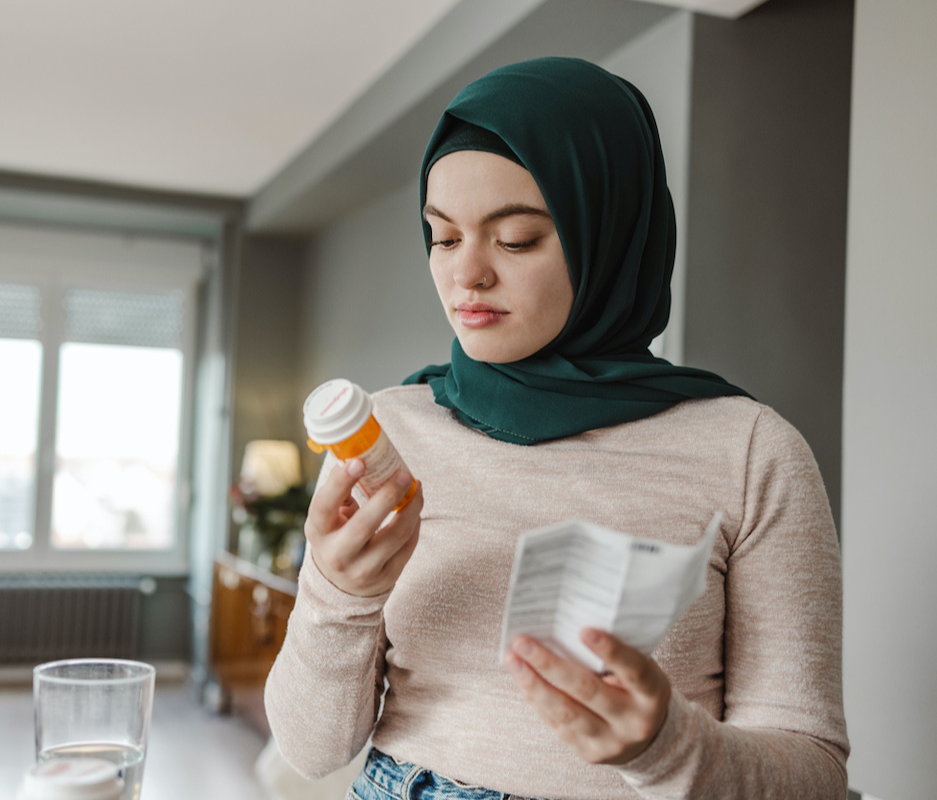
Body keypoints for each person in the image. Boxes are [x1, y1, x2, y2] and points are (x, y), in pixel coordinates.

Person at [264, 57, 847, 800]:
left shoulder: (751, 452)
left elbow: (816, 774)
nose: (465, 275)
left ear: (610, 236)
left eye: (513, 239)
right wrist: (338, 595)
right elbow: (311, 752)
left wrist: (667, 747)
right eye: (442, 237)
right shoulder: (385, 435)